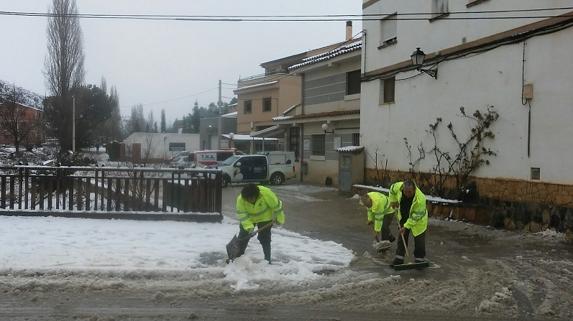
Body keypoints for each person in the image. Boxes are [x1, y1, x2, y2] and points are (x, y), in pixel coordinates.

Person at [235, 183, 285, 263]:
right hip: (249, 219)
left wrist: (280, 218)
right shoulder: (241, 199)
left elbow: (277, 206)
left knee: (265, 237)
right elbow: (242, 215)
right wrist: (249, 227)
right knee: (243, 236)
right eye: (247, 199)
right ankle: (238, 257)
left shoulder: (266, 194)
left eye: (251, 198)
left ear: (257, 195)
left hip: (264, 217)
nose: (249, 201)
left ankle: (267, 259)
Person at [388, 180, 428, 266]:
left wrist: (406, 227)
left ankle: (419, 259)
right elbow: (391, 190)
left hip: (418, 219)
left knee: (419, 238)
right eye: (405, 192)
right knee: (402, 236)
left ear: (414, 190)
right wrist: (393, 201)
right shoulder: (398, 187)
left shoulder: (420, 199)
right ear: (403, 188)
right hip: (404, 215)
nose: (407, 194)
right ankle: (399, 258)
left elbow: (415, 217)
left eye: (410, 192)